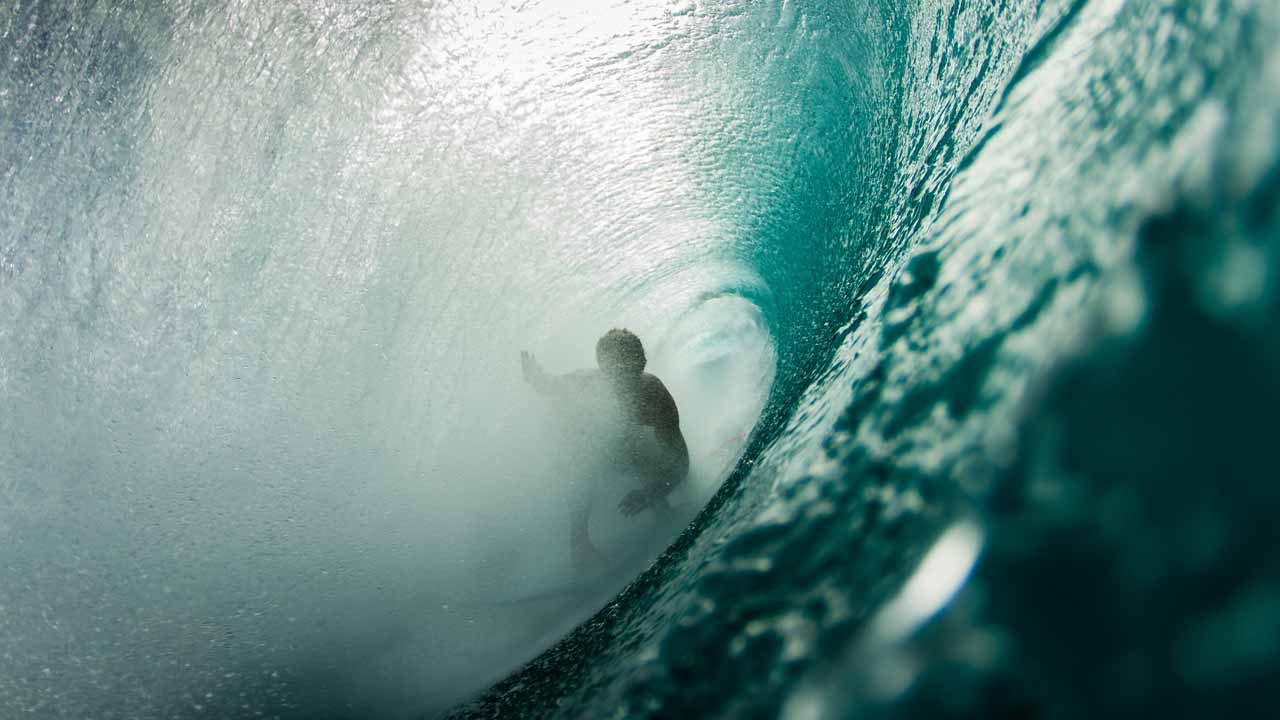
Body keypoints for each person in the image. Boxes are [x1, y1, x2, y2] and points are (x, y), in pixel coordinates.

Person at [521, 329, 689, 569]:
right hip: (572, 437)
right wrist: (534, 376)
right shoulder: (587, 383)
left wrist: (653, 491)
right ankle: (579, 544)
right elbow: (548, 385)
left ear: (642, 364)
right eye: (617, 373)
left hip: (620, 438)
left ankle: (663, 511)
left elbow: (679, 461)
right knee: (587, 455)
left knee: (638, 449)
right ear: (603, 370)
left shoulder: (654, 397)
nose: (625, 382)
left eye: (632, 372)